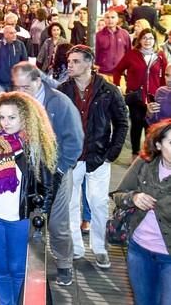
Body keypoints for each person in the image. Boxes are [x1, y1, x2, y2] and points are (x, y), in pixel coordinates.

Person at [0, 92, 58, 305]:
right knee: (0, 269)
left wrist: (40, 218)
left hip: (22, 219)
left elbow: (48, 187)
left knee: (18, 270)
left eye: (12, 117)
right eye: (1, 117)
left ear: (25, 118)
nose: (5, 122)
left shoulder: (35, 148)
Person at [11, 62, 85, 286]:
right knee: (25, 217)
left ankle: (64, 264)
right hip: (27, 170)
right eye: (17, 87)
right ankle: (30, 261)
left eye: (25, 87)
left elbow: (75, 140)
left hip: (56, 171)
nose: (20, 92)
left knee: (57, 222)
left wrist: (61, 169)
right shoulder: (18, 102)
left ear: (37, 80)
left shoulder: (60, 103)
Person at [59, 45, 129, 269]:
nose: (70, 65)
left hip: (98, 157)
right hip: (71, 158)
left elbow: (121, 123)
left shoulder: (108, 90)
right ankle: (77, 248)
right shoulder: (63, 90)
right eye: (69, 61)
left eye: (76, 61)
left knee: (98, 203)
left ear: (89, 63)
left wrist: (112, 153)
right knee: (70, 204)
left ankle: (99, 248)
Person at [111, 119, 171, 305]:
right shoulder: (145, 163)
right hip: (139, 251)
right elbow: (117, 194)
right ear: (159, 144)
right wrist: (134, 198)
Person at [113, 28, 167, 156]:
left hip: (154, 98)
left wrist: (164, 92)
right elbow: (117, 70)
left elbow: (165, 75)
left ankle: (149, 153)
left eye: (150, 38)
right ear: (140, 40)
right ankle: (135, 153)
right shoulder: (132, 54)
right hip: (136, 97)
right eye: (144, 38)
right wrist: (117, 86)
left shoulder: (160, 56)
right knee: (137, 124)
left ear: (155, 40)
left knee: (151, 127)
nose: (147, 41)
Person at [95, 10, 132, 82]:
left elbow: (129, 53)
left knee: (120, 93)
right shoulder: (98, 35)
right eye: (107, 17)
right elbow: (95, 53)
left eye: (112, 17)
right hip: (103, 73)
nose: (110, 20)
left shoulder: (125, 34)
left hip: (120, 74)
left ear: (117, 19)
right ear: (104, 19)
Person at [0, 25, 28, 94]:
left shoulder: (20, 44)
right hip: (0, 82)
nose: (14, 35)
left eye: (15, 33)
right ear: (5, 34)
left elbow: (24, 62)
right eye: (11, 33)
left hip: (15, 83)